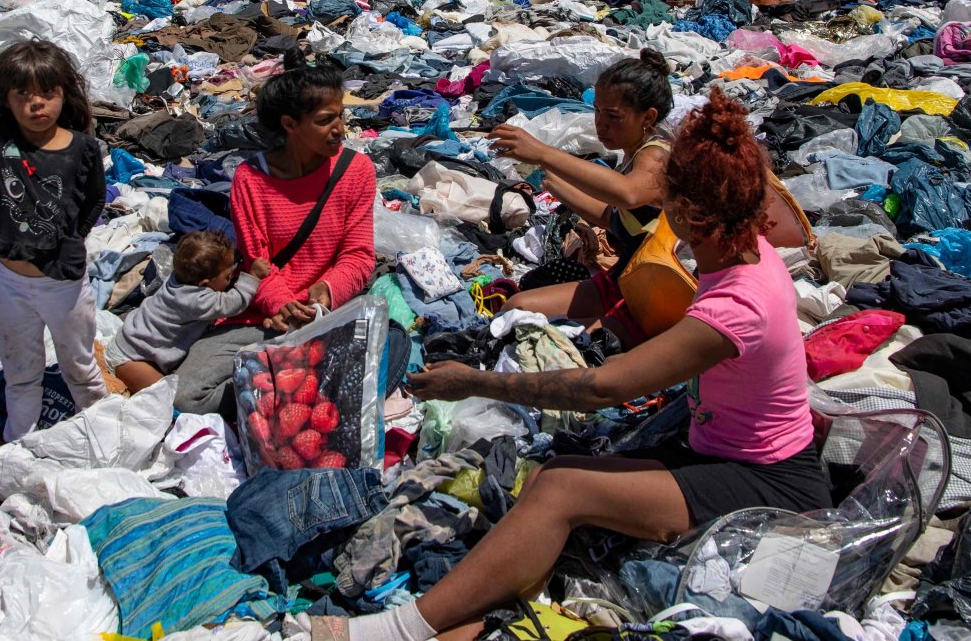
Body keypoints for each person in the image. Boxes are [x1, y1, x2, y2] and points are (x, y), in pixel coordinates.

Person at [343, 89, 830, 641]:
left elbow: (600, 387)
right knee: (561, 487)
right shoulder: (748, 249)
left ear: (689, 212)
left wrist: (472, 382)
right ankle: (466, 619)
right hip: (721, 447)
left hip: (770, 484)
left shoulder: (738, 304)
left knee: (560, 486)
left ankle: (394, 630)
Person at [169, 47, 378, 413]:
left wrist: (326, 293)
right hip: (263, 318)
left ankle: (282, 390)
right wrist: (283, 305)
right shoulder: (251, 180)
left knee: (385, 350)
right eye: (326, 120)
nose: (340, 129)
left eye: (341, 117)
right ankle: (289, 395)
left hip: (327, 315)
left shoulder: (356, 171)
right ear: (289, 124)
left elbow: (358, 255)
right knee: (187, 396)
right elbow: (257, 264)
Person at [0, 39, 109, 442]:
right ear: (6, 101)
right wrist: (11, 81)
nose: (37, 104)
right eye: (23, 95)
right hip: (11, 279)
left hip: (62, 282)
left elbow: (95, 198)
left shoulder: (82, 148)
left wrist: (75, 237)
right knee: (20, 371)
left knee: (78, 366)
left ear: (65, 94)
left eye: (48, 92)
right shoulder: (1, 141)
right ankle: (16, 445)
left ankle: (103, 438)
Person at [487, 49, 675, 341]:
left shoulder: (657, 155)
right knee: (517, 308)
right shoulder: (633, 155)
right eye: (598, 111)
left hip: (651, 297)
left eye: (613, 116)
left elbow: (628, 194)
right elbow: (616, 219)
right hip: (626, 281)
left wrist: (544, 153)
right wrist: (557, 187)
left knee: (563, 340)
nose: (601, 123)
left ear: (648, 117)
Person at [109, 231, 270, 393]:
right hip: (131, 358)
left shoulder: (177, 279)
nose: (232, 278)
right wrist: (252, 277)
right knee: (163, 396)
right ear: (204, 284)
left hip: (129, 342)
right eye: (228, 276)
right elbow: (234, 303)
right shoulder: (195, 300)